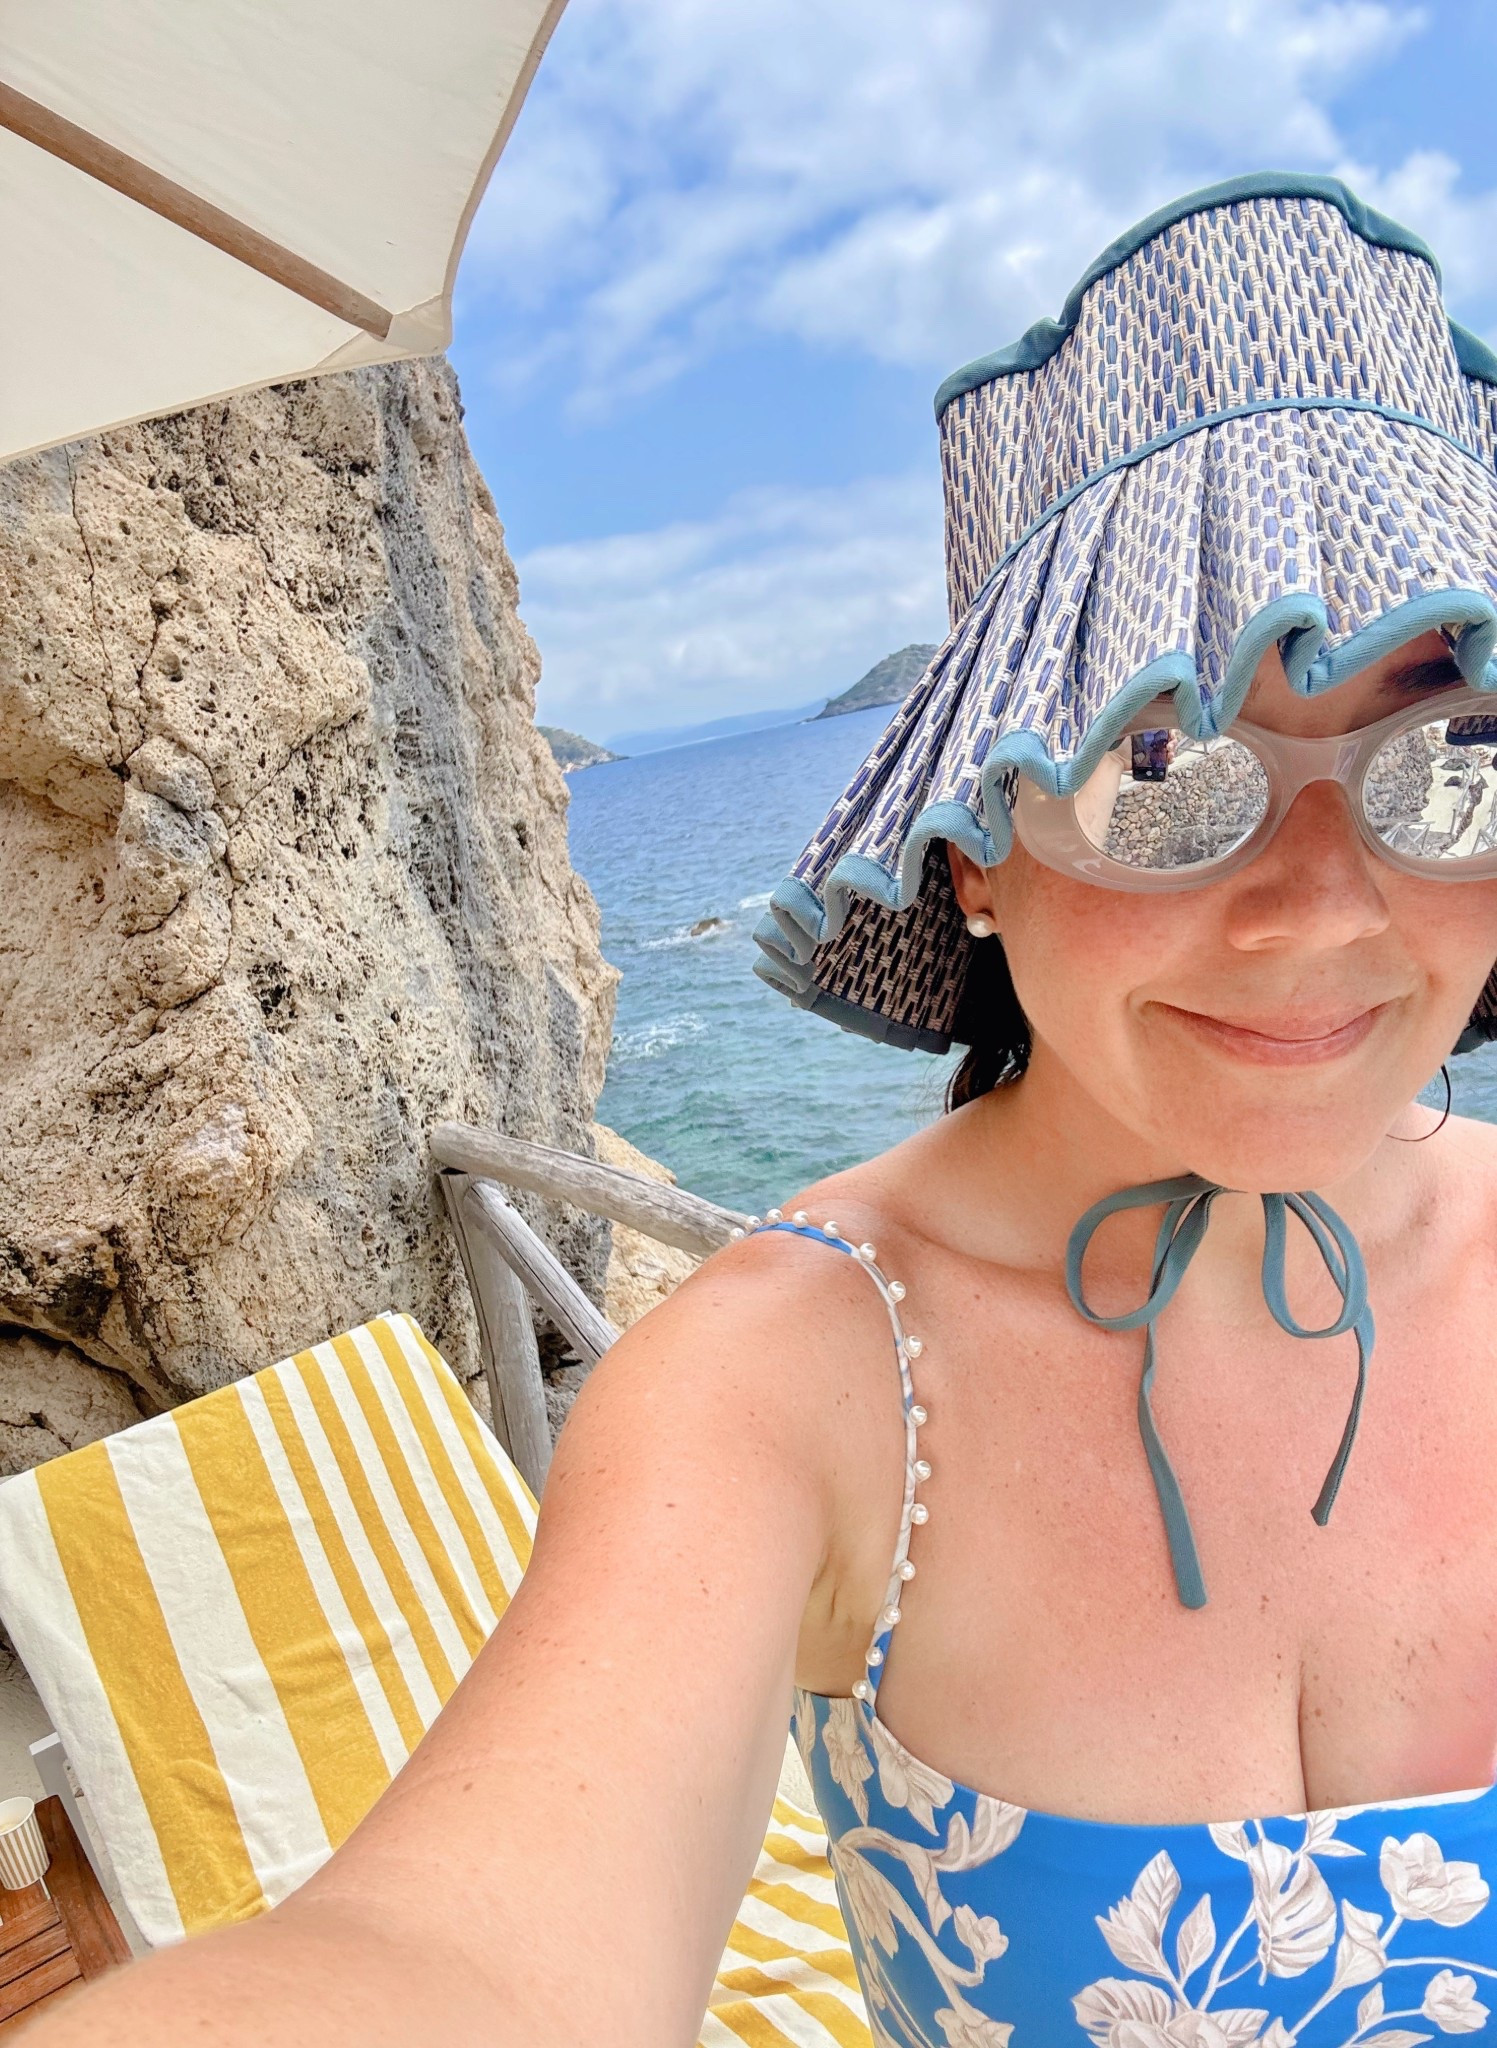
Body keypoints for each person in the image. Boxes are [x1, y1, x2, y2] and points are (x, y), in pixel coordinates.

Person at [37, 174, 1497, 2047]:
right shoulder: (788, 1381)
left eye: (1451, 752)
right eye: (1160, 764)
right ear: (978, 847)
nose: (1321, 910)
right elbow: (467, 1955)